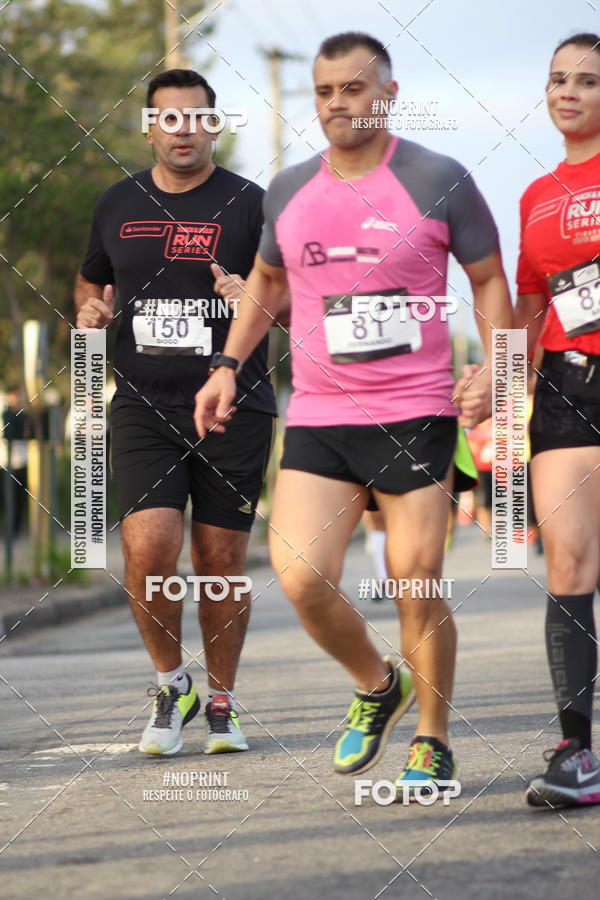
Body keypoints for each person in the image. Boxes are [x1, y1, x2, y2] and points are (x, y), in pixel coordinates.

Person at [194, 31, 512, 797]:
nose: (339, 104)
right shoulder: (293, 188)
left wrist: (497, 378)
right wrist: (228, 366)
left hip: (416, 411)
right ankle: (377, 686)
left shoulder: (438, 178)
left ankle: (431, 740)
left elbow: (491, 282)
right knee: (302, 576)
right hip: (322, 412)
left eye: (354, 89)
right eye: (325, 91)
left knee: (415, 575)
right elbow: (267, 284)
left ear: (388, 95)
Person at [75, 68, 277, 756]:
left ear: (214, 124)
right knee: (149, 547)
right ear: (149, 126)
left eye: (196, 117)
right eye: (169, 117)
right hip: (141, 404)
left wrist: (249, 295)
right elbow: (93, 274)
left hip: (234, 404)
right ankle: (172, 683)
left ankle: (221, 701)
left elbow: (286, 297)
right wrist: (92, 308)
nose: (183, 129)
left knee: (220, 561)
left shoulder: (250, 204)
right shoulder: (116, 201)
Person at [515, 33, 600, 808]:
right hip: (568, 389)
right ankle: (577, 752)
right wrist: (505, 395)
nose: (567, 92)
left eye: (587, 81)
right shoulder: (535, 196)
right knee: (569, 565)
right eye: (557, 80)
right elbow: (532, 305)